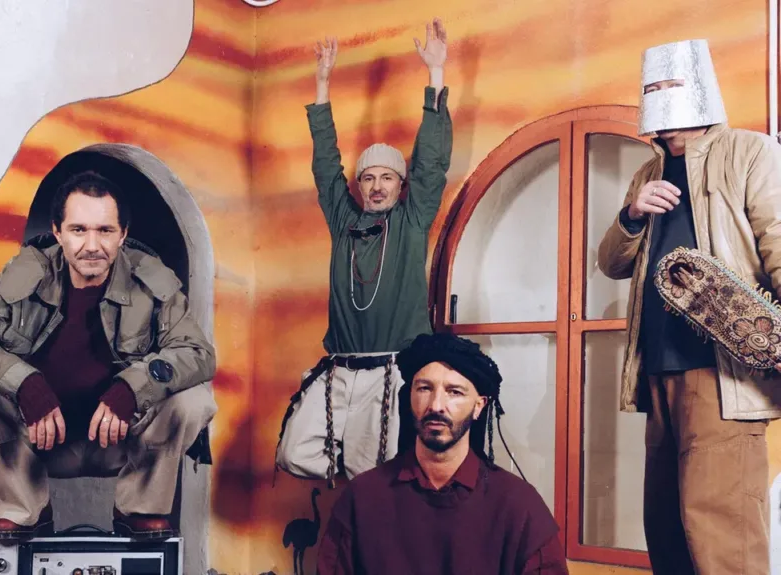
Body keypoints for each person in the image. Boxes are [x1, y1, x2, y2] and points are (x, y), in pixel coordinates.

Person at [0, 171, 217, 541]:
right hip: (36, 440)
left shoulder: (151, 279)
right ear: (58, 232)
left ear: (122, 234)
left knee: (195, 399)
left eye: (105, 231)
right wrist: (25, 383)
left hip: (121, 440)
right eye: (78, 230)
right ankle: (24, 510)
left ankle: (141, 508)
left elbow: (197, 353)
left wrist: (132, 388)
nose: (92, 245)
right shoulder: (26, 274)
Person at [597, 39, 781, 574]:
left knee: (722, 534)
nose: (661, 96)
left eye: (671, 84)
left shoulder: (749, 151)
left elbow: (779, 239)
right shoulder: (646, 173)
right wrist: (632, 215)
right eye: (652, 87)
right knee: (667, 530)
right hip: (657, 370)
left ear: (700, 84)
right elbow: (611, 263)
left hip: (723, 373)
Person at [275, 18, 453, 487]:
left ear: (401, 185)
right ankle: (369, 488)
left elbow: (432, 162)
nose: (376, 186)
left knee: (369, 475)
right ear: (359, 186)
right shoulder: (344, 222)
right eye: (368, 177)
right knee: (294, 452)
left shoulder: (412, 220)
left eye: (387, 177)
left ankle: (374, 504)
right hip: (338, 369)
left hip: (390, 371)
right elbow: (325, 166)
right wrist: (322, 83)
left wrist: (435, 74)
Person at [316, 333, 568, 574]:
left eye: (454, 392)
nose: (436, 405)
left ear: (479, 406)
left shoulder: (519, 506)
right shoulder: (362, 497)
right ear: (410, 397)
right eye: (424, 388)